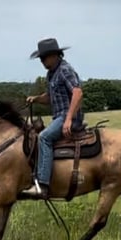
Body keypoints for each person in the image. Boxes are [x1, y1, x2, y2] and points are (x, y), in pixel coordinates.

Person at [22, 37, 85, 200]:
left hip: (68, 116)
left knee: (44, 138)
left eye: (44, 57)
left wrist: (69, 119)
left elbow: (77, 93)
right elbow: (50, 97)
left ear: (55, 55)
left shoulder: (65, 70)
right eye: (40, 58)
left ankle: (42, 185)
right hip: (59, 116)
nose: (42, 61)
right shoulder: (51, 74)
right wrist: (36, 99)